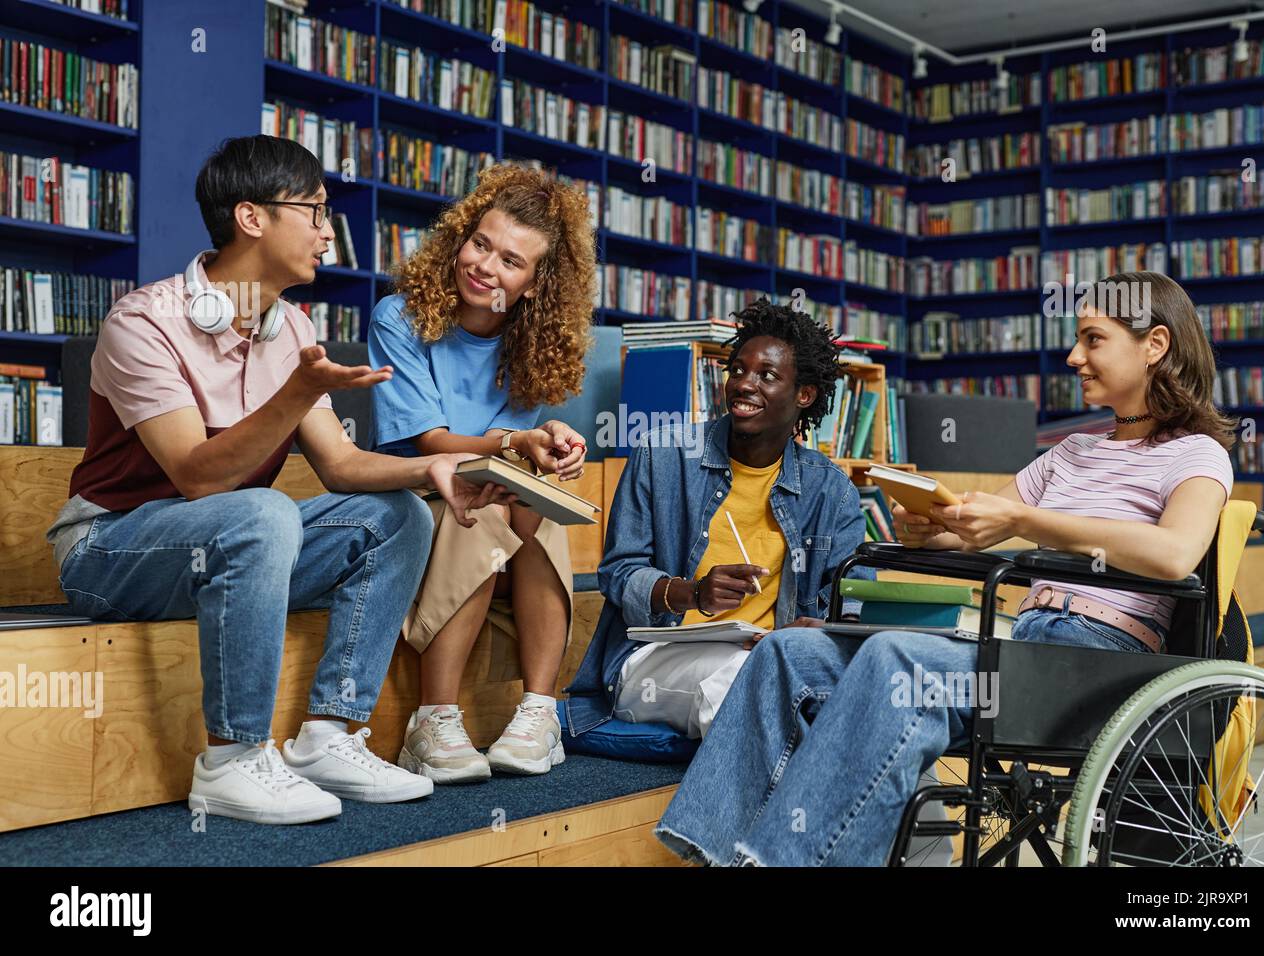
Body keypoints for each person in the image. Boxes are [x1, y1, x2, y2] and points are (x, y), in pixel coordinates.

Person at [654, 271, 1238, 865]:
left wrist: (1023, 522)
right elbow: (979, 525)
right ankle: (715, 851)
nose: (1074, 356)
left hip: (1096, 669)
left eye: (1093, 339)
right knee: (787, 653)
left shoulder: (1197, 454)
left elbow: (1173, 555)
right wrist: (935, 526)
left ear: (1155, 345)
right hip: (1025, 650)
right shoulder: (1072, 453)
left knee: (894, 657)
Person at [46, 135, 513, 825]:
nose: (329, 234)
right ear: (252, 218)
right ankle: (231, 761)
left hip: (228, 549)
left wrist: (436, 468)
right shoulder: (145, 320)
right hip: (110, 549)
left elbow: (343, 466)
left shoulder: (291, 327)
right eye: (317, 211)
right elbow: (197, 477)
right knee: (261, 513)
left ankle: (328, 735)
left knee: (398, 517)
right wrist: (294, 395)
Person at [367, 163, 595, 781]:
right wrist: (518, 438)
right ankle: (432, 720)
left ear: (534, 286)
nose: (486, 267)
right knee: (481, 509)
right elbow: (430, 442)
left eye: (511, 262)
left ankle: (538, 713)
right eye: (481, 243)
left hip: (487, 484)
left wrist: (549, 439)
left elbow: (510, 452)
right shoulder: (400, 316)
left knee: (536, 505)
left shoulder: (531, 341)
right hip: (413, 490)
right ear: (459, 236)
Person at [564, 298, 872, 746]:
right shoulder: (663, 454)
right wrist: (694, 593)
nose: (744, 384)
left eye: (767, 376)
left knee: (849, 694)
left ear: (804, 394)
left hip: (775, 659)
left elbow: (857, 603)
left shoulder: (832, 491)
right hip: (656, 657)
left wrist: (818, 631)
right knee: (756, 685)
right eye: (739, 370)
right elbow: (619, 575)